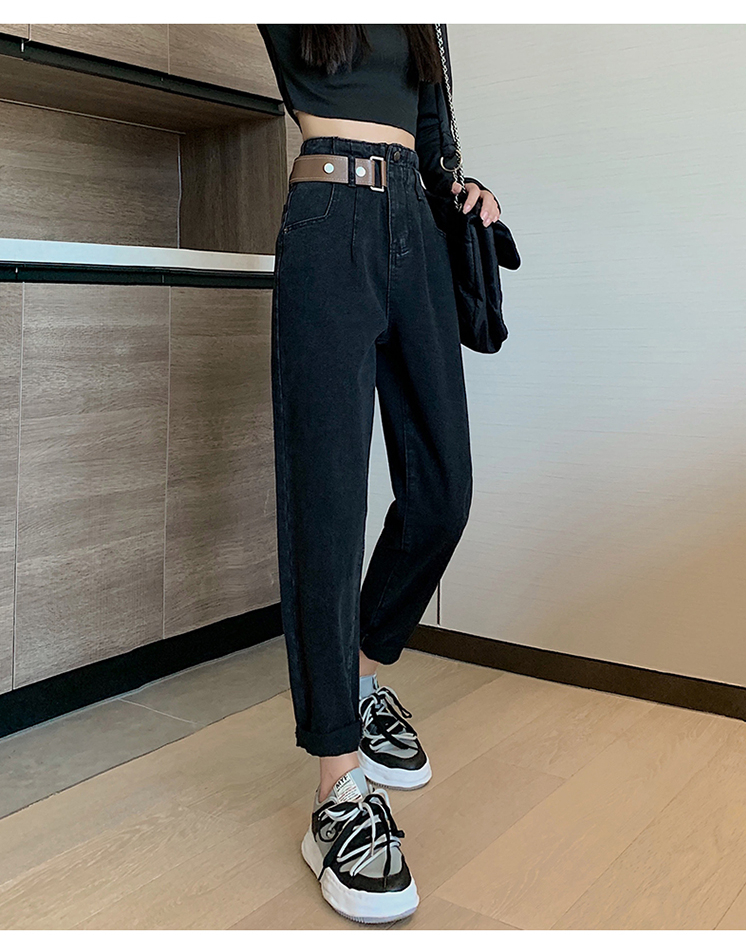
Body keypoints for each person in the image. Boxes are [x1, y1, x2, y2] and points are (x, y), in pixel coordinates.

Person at [258, 24, 501, 924]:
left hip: (418, 230)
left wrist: (460, 187)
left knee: (443, 491)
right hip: (328, 217)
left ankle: (359, 677)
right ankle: (336, 782)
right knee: (326, 504)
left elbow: (431, 127)